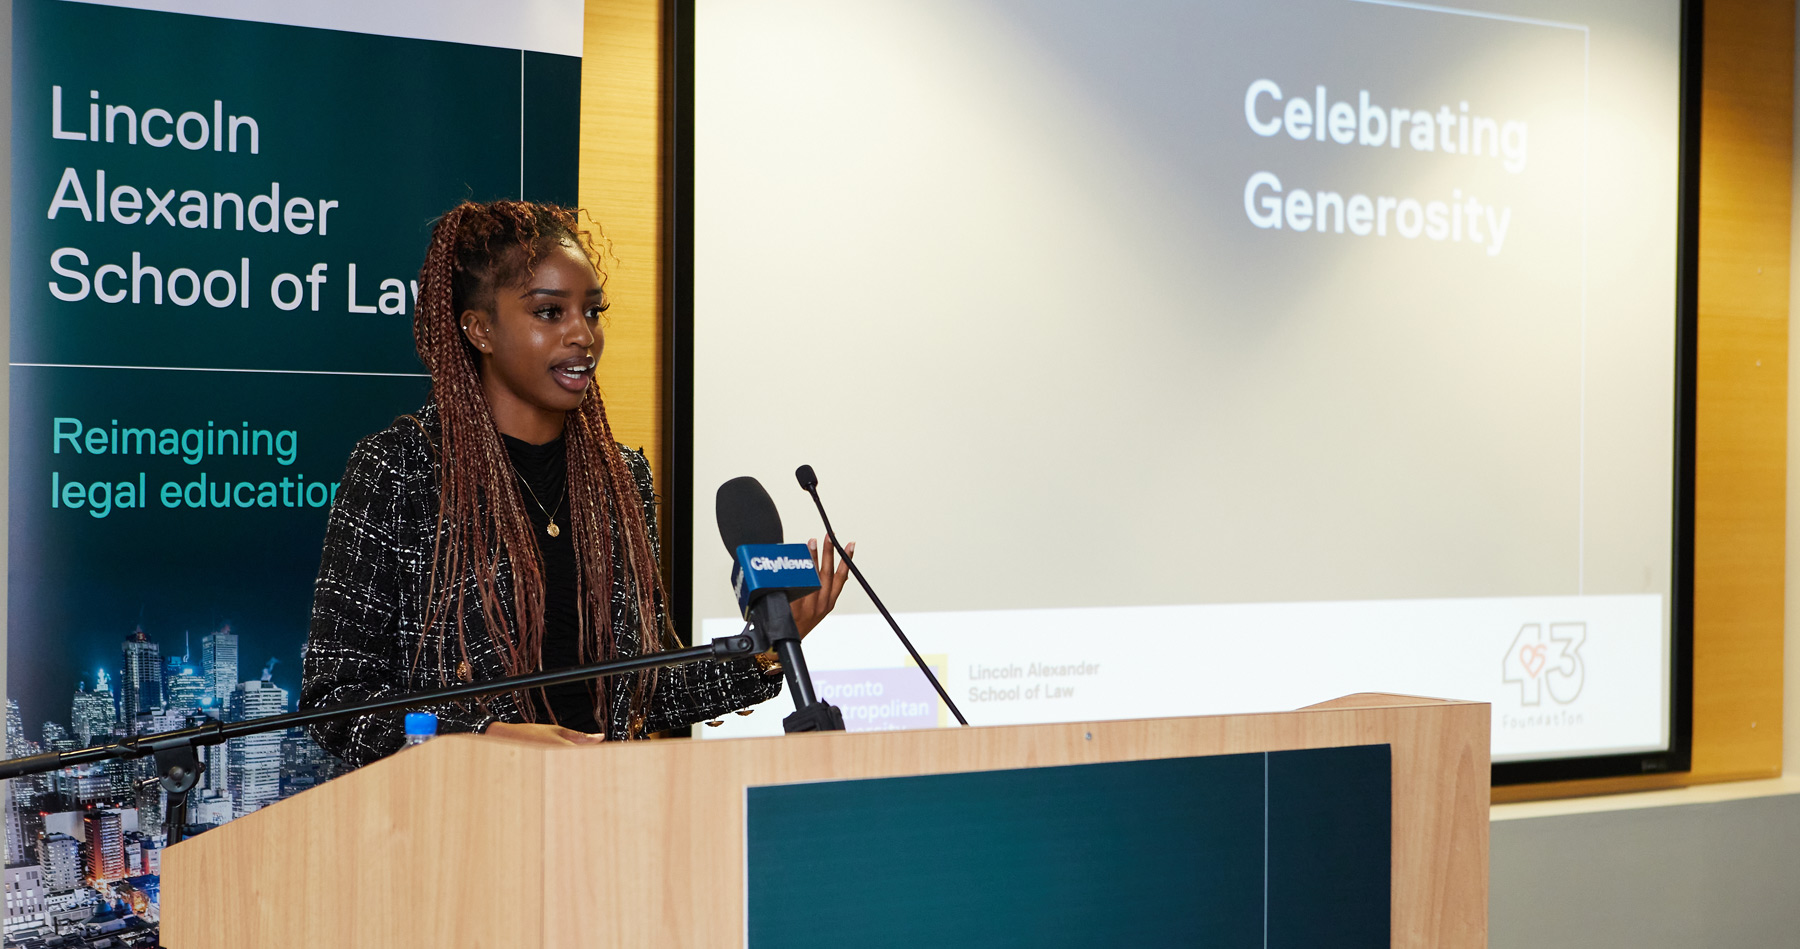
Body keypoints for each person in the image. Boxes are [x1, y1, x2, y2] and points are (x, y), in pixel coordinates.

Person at [301, 200, 849, 768]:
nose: (581, 335)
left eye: (592, 311)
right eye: (549, 312)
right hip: (461, 827)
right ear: (480, 329)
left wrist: (768, 648)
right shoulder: (401, 472)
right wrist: (481, 738)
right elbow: (338, 705)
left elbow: (643, 689)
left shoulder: (620, 479)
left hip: (604, 819)